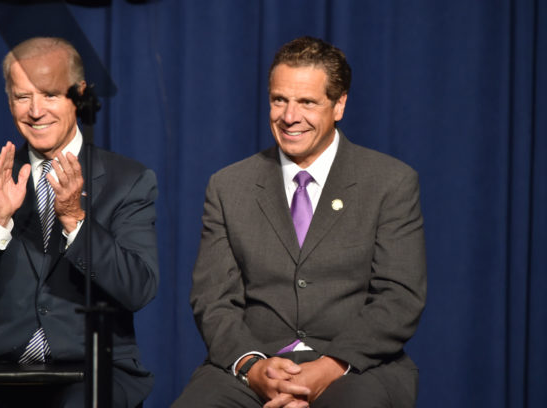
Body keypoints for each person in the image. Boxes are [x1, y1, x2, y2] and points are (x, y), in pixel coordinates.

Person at [173, 36, 426, 408]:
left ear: (339, 105)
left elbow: (399, 298)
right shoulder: (230, 185)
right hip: (256, 365)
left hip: (355, 366)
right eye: (279, 100)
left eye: (307, 102)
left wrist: (325, 369)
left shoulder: (390, 182)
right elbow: (213, 300)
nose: (290, 117)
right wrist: (254, 368)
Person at [0, 37, 159, 407]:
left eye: (48, 94)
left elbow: (138, 288)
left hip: (92, 369)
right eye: (21, 97)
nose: (34, 111)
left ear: (77, 95)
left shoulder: (129, 180)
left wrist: (76, 219)